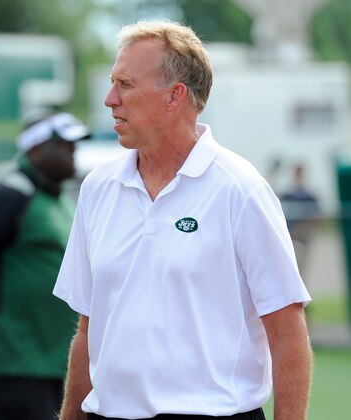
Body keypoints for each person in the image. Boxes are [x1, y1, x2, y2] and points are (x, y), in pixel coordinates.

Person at [53, 20, 312, 420]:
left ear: (175, 96)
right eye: (112, 82)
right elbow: (88, 329)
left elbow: (287, 332)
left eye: (125, 84)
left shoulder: (240, 191)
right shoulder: (97, 188)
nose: (109, 99)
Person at [0, 112, 90, 420]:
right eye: (63, 145)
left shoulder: (57, 199)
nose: (72, 151)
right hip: (16, 361)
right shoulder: (10, 196)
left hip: (49, 359)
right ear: (36, 149)